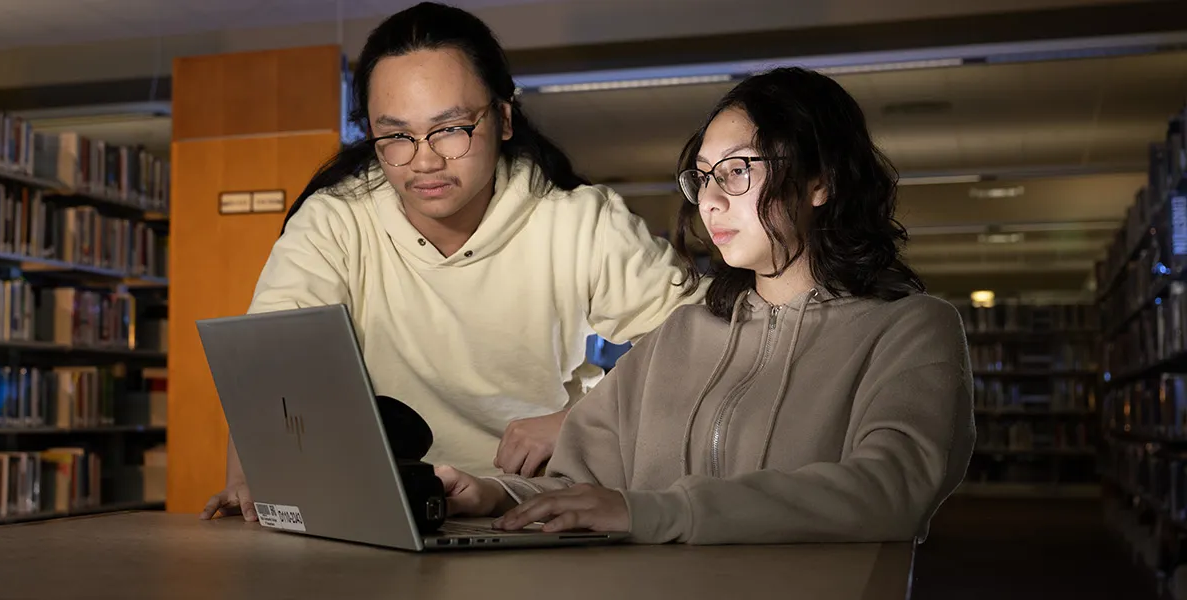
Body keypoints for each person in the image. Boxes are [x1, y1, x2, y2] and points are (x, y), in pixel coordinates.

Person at [201, 2, 703, 520]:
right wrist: (247, 478)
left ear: (503, 118)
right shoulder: (335, 221)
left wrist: (580, 418)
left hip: (535, 506)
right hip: (384, 503)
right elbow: (270, 366)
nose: (424, 160)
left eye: (451, 128)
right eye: (395, 135)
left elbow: (704, 344)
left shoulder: (580, 221)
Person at [434, 66, 976, 545]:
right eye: (704, 176)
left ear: (819, 181)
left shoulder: (912, 328)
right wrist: (498, 494)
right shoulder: (680, 334)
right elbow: (579, 485)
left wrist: (659, 511)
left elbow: (889, 491)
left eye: (737, 170)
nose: (712, 199)